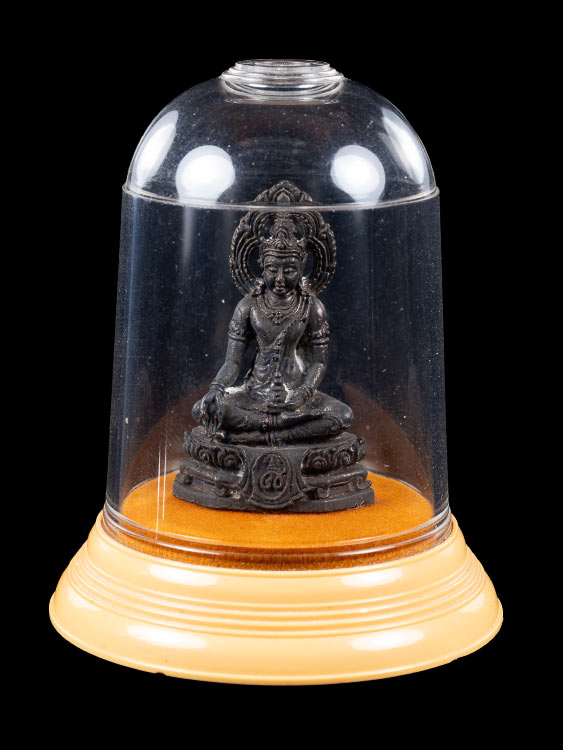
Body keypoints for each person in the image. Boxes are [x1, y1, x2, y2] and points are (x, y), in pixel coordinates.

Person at [193, 215, 353, 446]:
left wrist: (302, 395)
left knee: (343, 415)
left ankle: (261, 433)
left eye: (289, 270)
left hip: (294, 394)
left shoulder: (311, 307)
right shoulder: (248, 306)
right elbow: (233, 362)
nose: (279, 279)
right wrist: (216, 389)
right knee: (202, 409)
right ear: (261, 267)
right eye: (272, 269)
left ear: (301, 268)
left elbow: (318, 362)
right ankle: (282, 429)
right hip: (252, 393)